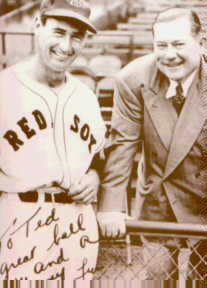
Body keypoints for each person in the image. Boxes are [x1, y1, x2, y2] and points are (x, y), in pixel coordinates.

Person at [0, 0, 106, 283]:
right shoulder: (4, 88)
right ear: (37, 24)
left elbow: (98, 155)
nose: (67, 45)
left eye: (77, 36)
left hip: (78, 222)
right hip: (20, 216)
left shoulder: (86, 96)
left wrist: (95, 175)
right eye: (59, 32)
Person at [97, 8, 207, 279]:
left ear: (201, 42)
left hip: (204, 200)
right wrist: (111, 208)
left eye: (179, 44)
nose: (170, 55)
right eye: (162, 45)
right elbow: (122, 144)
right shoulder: (133, 79)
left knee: (201, 279)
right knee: (157, 280)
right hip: (158, 199)